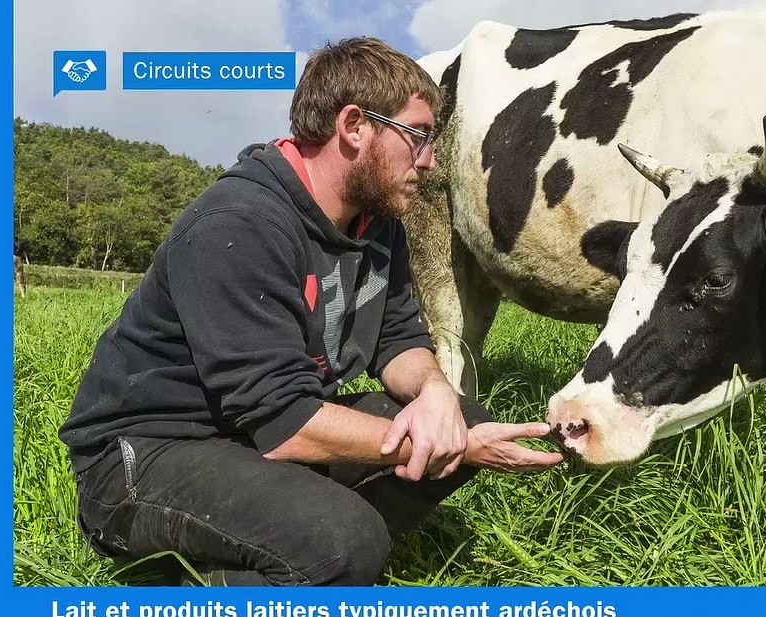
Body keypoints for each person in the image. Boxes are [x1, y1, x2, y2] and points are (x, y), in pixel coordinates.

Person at [58, 37, 563, 587]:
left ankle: (291, 555)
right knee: (347, 540)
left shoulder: (376, 221)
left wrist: (437, 396)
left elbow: (397, 339)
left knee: (458, 420)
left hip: (247, 429)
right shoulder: (240, 225)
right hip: (147, 455)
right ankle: (202, 586)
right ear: (353, 126)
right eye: (418, 136)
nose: (429, 161)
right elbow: (285, 425)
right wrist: (451, 444)